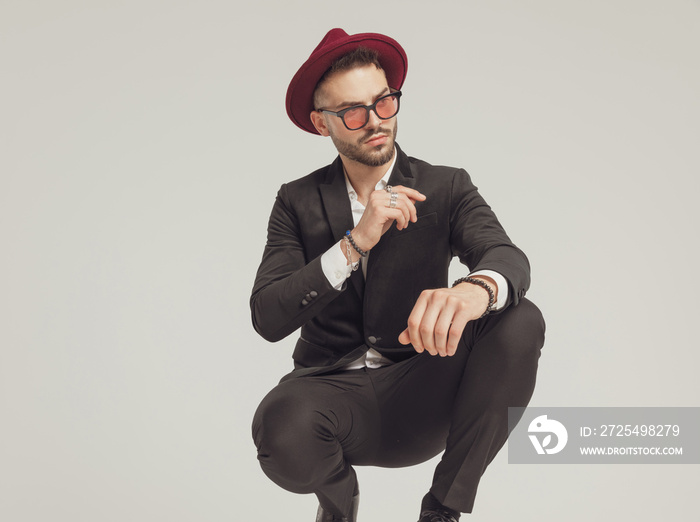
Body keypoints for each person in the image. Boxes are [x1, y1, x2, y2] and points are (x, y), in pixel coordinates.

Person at [250, 28, 546, 522]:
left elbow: (506, 256)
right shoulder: (296, 201)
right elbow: (267, 316)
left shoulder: (445, 185)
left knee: (520, 318)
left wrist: (477, 290)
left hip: (422, 388)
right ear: (322, 124)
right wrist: (354, 243)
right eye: (352, 111)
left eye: (384, 102)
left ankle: (443, 511)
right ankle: (339, 506)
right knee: (280, 432)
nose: (375, 122)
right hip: (329, 398)